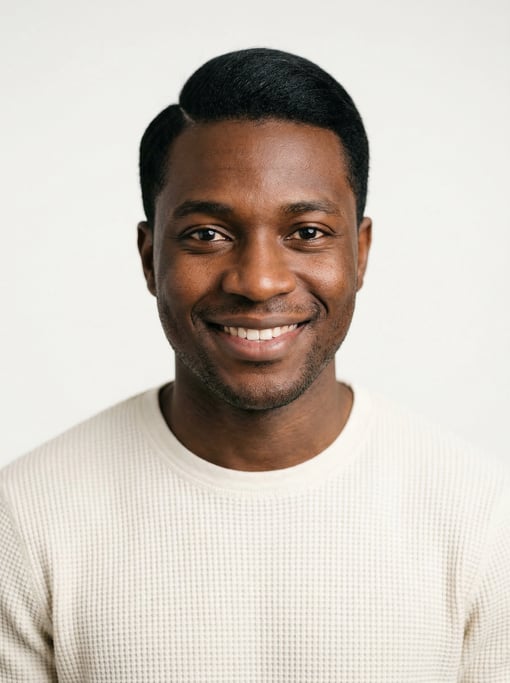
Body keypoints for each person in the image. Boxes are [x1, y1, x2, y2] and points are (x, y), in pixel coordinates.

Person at [1, 48, 508, 682]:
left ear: (361, 252)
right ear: (149, 256)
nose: (260, 281)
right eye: (208, 234)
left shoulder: (486, 519)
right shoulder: (25, 519)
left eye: (309, 233)